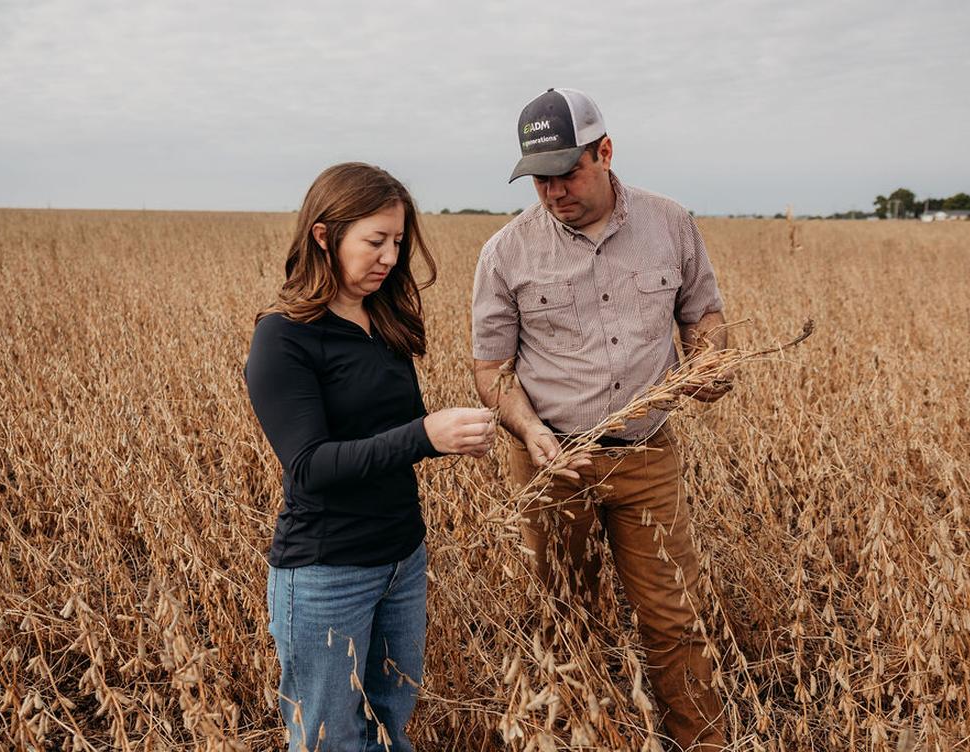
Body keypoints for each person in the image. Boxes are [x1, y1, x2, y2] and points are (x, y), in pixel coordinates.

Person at [471, 89, 730, 750]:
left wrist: (711, 361)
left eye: (568, 172)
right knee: (568, 619)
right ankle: (588, 738)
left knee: (675, 617)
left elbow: (702, 315)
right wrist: (529, 433)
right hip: (551, 463)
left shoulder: (670, 223)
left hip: (646, 455)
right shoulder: (504, 252)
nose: (553, 191)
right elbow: (491, 369)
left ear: (605, 151)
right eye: (539, 178)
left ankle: (702, 741)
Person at [246, 162, 495, 752]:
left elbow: (387, 434)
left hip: (402, 560)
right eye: (375, 241)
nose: (389, 257)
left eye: (398, 242)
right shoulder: (283, 339)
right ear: (324, 236)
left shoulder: (382, 320)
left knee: (389, 727)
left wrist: (452, 433)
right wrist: (425, 436)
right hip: (326, 571)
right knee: (330, 739)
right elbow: (309, 465)